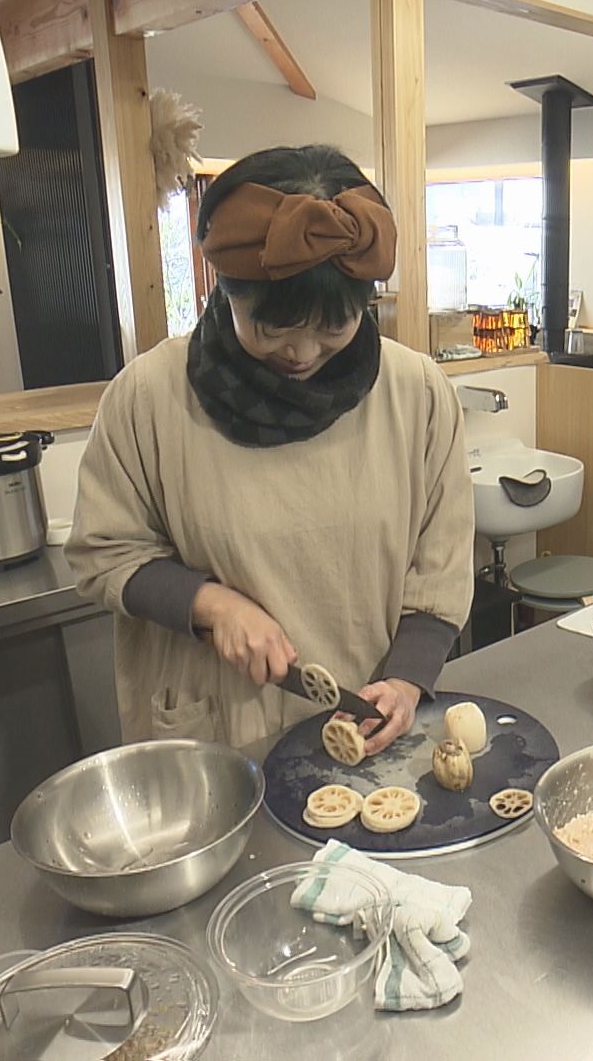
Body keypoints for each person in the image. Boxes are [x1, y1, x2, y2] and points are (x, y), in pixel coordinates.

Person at [68, 145, 474, 754]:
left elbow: (440, 566)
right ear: (225, 289)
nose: (303, 353)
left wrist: (406, 679)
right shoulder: (150, 397)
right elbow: (104, 552)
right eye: (271, 328)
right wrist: (211, 606)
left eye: (332, 328)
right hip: (218, 734)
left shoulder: (415, 394)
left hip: (363, 723)